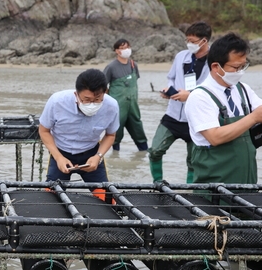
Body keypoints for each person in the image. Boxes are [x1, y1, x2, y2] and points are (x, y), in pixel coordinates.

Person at [185, 32, 262, 185]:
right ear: (216, 67)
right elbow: (214, 137)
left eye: (243, 66)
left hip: (247, 183)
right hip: (215, 188)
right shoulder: (200, 97)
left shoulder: (243, 90)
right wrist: (252, 118)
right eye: (236, 67)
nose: (241, 71)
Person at [149, 22, 212, 183]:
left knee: (193, 160)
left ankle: (190, 191)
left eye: (192, 40)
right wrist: (168, 90)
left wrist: (190, 95)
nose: (189, 43)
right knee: (155, 150)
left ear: (204, 41)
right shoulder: (181, 56)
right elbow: (171, 77)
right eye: (187, 40)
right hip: (173, 114)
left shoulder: (213, 63)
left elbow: (213, 90)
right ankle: (158, 183)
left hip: (195, 119)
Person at [38, 68, 119, 184]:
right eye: (86, 99)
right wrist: (58, 157)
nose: (91, 104)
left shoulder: (112, 106)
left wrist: (98, 156)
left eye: (97, 100)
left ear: (105, 92)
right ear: (76, 94)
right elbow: (44, 131)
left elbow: (111, 135)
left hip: (91, 153)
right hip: (61, 151)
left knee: (106, 196)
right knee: (52, 196)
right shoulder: (57, 102)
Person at [103, 39, 148, 152]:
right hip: (118, 106)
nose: (125, 50)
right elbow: (102, 86)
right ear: (116, 51)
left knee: (138, 128)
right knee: (115, 131)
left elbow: (134, 83)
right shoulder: (111, 67)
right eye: (122, 48)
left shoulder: (133, 65)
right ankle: (115, 155)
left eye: (127, 47)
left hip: (133, 105)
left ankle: (144, 154)